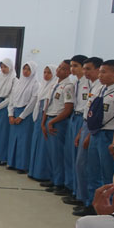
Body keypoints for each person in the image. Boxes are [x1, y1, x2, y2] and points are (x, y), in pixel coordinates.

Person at [82, 60, 114, 216]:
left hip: (109, 135)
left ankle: (110, 208)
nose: (100, 75)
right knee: (93, 171)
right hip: (96, 133)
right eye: (100, 72)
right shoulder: (100, 90)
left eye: (104, 72)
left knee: (108, 173)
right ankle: (93, 203)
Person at [72, 57, 104, 215]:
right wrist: (80, 133)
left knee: (90, 168)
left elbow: (99, 118)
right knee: (81, 165)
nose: (85, 72)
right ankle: (83, 198)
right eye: (84, 69)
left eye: (88, 69)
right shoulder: (93, 86)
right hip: (85, 125)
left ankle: (91, 203)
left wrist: (89, 135)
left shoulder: (102, 89)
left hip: (94, 130)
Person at [42, 60, 75, 195]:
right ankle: (53, 178)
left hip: (58, 121)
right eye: (59, 67)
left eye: (63, 68)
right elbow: (48, 104)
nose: (59, 70)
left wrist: (52, 122)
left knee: (58, 154)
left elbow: (68, 109)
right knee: (51, 153)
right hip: (49, 119)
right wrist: (43, 122)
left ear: (69, 72)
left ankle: (60, 182)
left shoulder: (68, 86)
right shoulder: (54, 84)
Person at [63, 55, 90, 197]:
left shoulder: (89, 83)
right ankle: (70, 186)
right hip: (75, 116)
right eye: (71, 66)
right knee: (69, 154)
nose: (72, 69)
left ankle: (78, 192)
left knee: (79, 158)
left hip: (82, 119)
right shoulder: (75, 82)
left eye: (76, 66)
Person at [6, 62, 39, 174]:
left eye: (28, 69)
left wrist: (21, 116)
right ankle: (12, 162)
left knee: (24, 141)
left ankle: (22, 165)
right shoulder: (18, 83)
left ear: (33, 71)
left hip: (26, 115)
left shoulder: (35, 84)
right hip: (15, 113)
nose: (25, 71)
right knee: (13, 139)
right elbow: (12, 99)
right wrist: (10, 114)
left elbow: (32, 102)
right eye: (24, 69)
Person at [27, 64, 57, 182]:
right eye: (44, 72)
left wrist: (43, 121)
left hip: (46, 118)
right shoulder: (42, 85)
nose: (46, 75)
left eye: (49, 73)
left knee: (44, 147)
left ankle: (43, 174)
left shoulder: (53, 86)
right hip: (38, 117)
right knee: (36, 144)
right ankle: (33, 171)